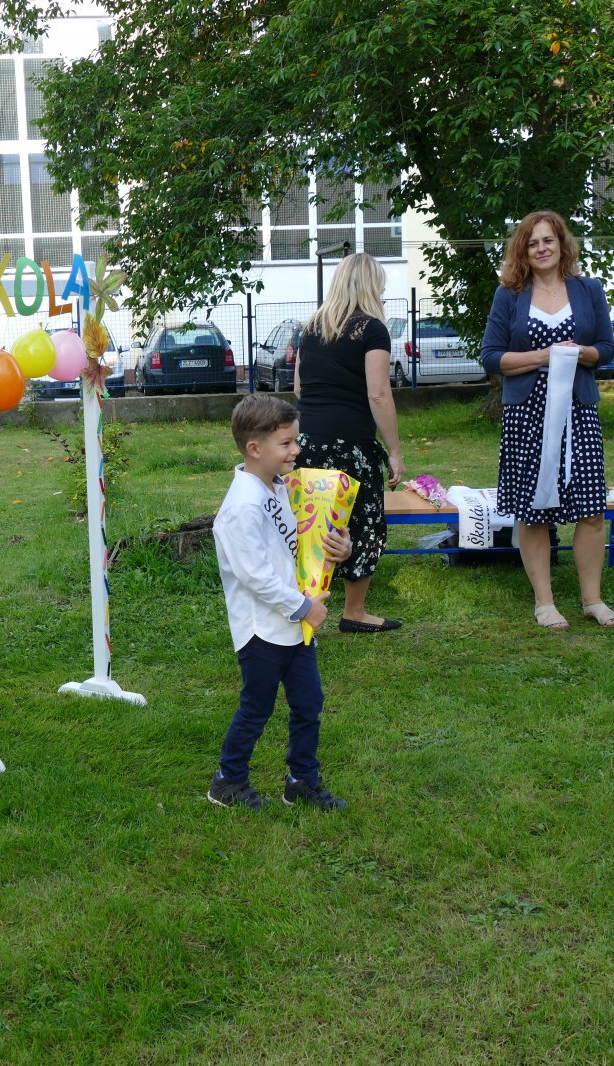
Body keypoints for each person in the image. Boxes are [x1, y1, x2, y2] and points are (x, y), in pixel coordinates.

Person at [207, 394, 351, 813]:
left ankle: (301, 781)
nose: (296, 450)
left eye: (295, 441)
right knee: (257, 707)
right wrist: (306, 608)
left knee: (308, 703)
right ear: (255, 449)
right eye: (286, 443)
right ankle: (228, 779)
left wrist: (340, 547)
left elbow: (305, 541)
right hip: (262, 629)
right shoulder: (242, 507)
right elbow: (255, 577)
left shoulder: (281, 486)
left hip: (294, 626)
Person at [479, 209, 614, 630]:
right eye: (532, 243)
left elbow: (607, 349)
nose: (541, 248)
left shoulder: (588, 290)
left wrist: (583, 353)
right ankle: (544, 602)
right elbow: (491, 356)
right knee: (533, 510)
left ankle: (592, 600)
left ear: (562, 244)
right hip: (527, 415)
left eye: (548, 240)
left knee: (591, 507)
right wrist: (543, 356)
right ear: (523, 251)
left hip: (578, 412)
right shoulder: (509, 295)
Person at [293, 252, 406, 634]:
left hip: (307, 440)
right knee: (363, 522)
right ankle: (354, 612)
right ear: (371, 287)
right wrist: (394, 452)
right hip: (352, 443)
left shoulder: (311, 327)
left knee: (312, 524)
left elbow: (299, 387)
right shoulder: (373, 330)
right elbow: (379, 394)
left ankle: (305, 610)